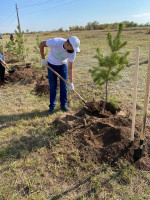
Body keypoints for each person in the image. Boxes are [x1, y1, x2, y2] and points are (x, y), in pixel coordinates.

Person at [40, 36, 80, 114]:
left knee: (64, 86)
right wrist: (43, 59)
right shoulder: (56, 42)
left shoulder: (72, 52)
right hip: (51, 64)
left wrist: (71, 82)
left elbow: (70, 67)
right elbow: (41, 44)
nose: (73, 50)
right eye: (72, 48)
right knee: (53, 86)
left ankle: (63, 105)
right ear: (68, 44)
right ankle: (52, 106)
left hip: (63, 66)